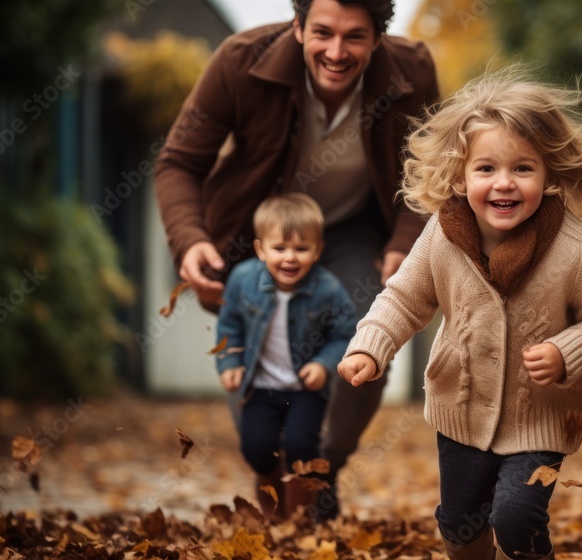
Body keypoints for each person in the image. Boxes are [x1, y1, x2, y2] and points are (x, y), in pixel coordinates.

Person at [153, 0, 440, 520]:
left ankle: (323, 468)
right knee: (257, 351)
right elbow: (178, 162)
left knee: (369, 333)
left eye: (355, 36)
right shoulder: (240, 62)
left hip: (357, 229)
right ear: (297, 26)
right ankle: (270, 469)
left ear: (378, 38)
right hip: (263, 230)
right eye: (322, 33)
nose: (336, 51)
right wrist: (191, 239)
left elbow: (433, 176)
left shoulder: (413, 71)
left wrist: (403, 245)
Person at [337, 70, 582, 560]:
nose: (504, 183)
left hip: (542, 415)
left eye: (523, 168)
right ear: (460, 176)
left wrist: (567, 351)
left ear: (549, 175)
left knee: (517, 516)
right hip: (461, 408)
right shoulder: (441, 235)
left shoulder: (574, 247)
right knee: (459, 524)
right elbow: (404, 297)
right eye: (486, 169)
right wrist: (370, 344)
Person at [216, 193, 356, 520]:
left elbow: (345, 333)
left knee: (301, 447)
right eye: (279, 248)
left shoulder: (327, 288)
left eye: (301, 249)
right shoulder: (243, 281)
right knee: (256, 448)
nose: (289, 258)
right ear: (260, 249)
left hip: (304, 390)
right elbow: (229, 325)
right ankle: (272, 504)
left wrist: (323, 364)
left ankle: (298, 518)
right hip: (260, 387)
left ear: (318, 250)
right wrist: (229, 361)